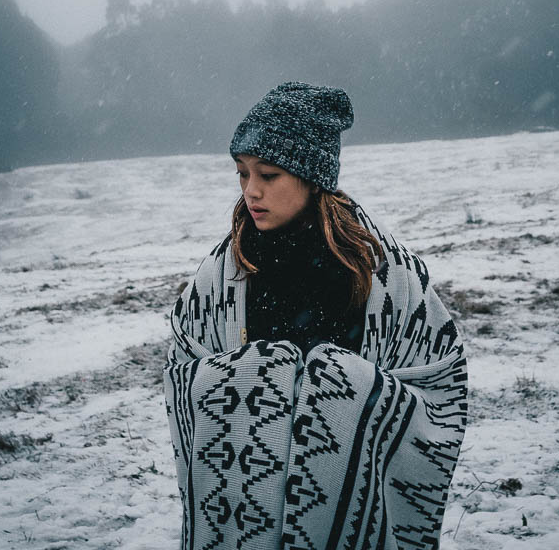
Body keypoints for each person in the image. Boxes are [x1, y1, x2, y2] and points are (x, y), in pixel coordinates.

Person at [164, 82, 468, 549]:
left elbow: (438, 377)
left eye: (267, 174)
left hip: (346, 516)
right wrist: (259, 376)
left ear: (312, 176)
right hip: (246, 514)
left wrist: (346, 390)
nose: (251, 190)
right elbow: (184, 369)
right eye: (242, 173)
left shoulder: (384, 272)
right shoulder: (225, 271)